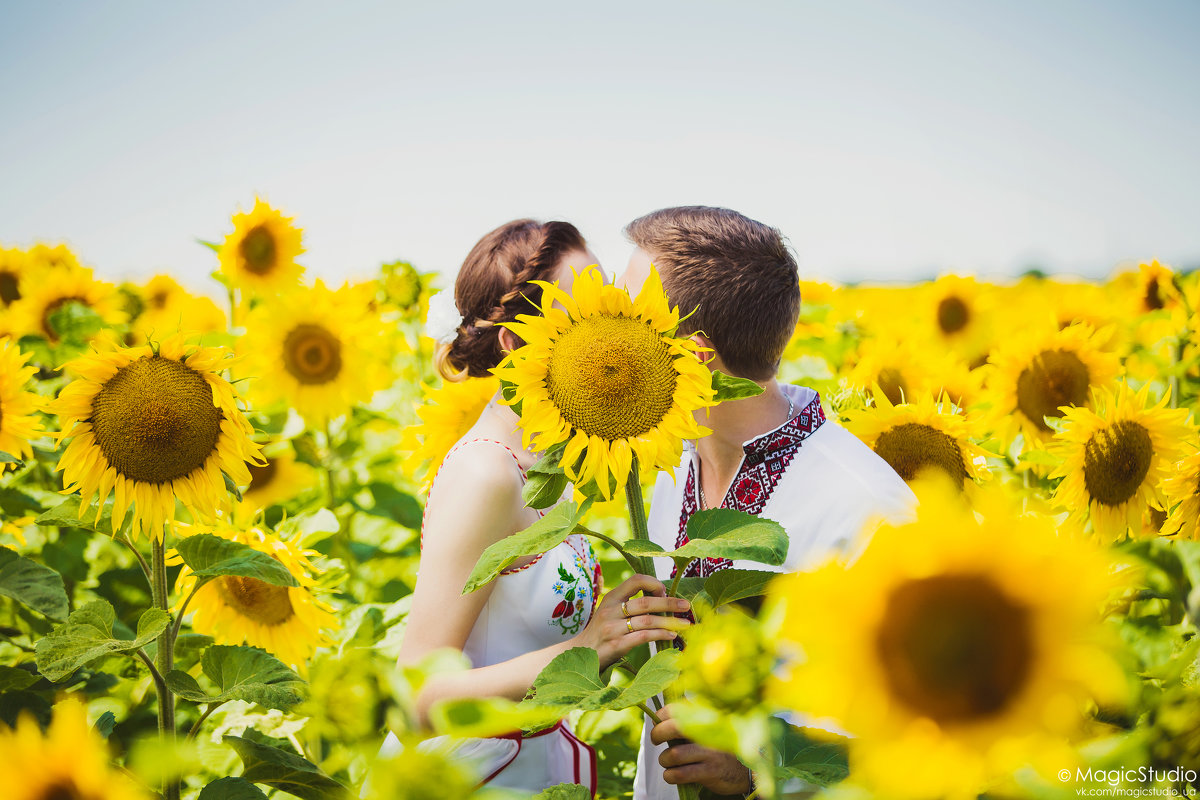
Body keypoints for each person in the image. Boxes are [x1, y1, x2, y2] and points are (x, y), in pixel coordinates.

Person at [376, 219, 690, 797]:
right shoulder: (486, 472)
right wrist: (585, 648)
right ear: (517, 345)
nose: (611, 322)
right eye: (585, 314)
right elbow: (416, 698)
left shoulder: (546, 457)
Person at [620, 207, 916, 800]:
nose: (609, 336)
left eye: (630, 321)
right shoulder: (675, 459)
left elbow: (917, 747)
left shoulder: (868, 511)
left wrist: (760, 766)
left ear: (694, 359)